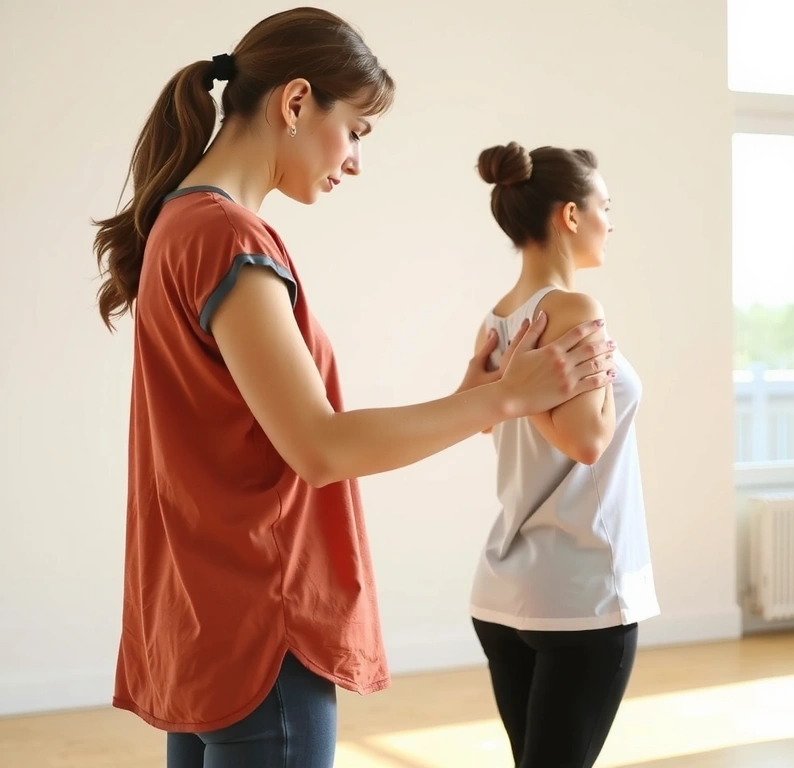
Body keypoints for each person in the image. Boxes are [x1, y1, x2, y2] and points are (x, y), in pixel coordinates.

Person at [91, 10, 619, 768]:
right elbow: (319, 446)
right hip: (260, 636)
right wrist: (508, 397)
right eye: (359, 131)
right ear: (296, 102)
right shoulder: (228, 237)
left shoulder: (179, 223)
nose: (356, 162)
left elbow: (265, 433)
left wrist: (469, 403)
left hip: (202, 625)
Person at [465, 142, 660, 768]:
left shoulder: (497, 319)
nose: (612, 220)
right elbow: (586, 440)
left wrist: (507, 392)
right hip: (581, 594)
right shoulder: (575, 309)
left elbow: (491, 425)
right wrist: (514, 395)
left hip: (503, 590)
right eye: (606, 206)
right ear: (570, 216)